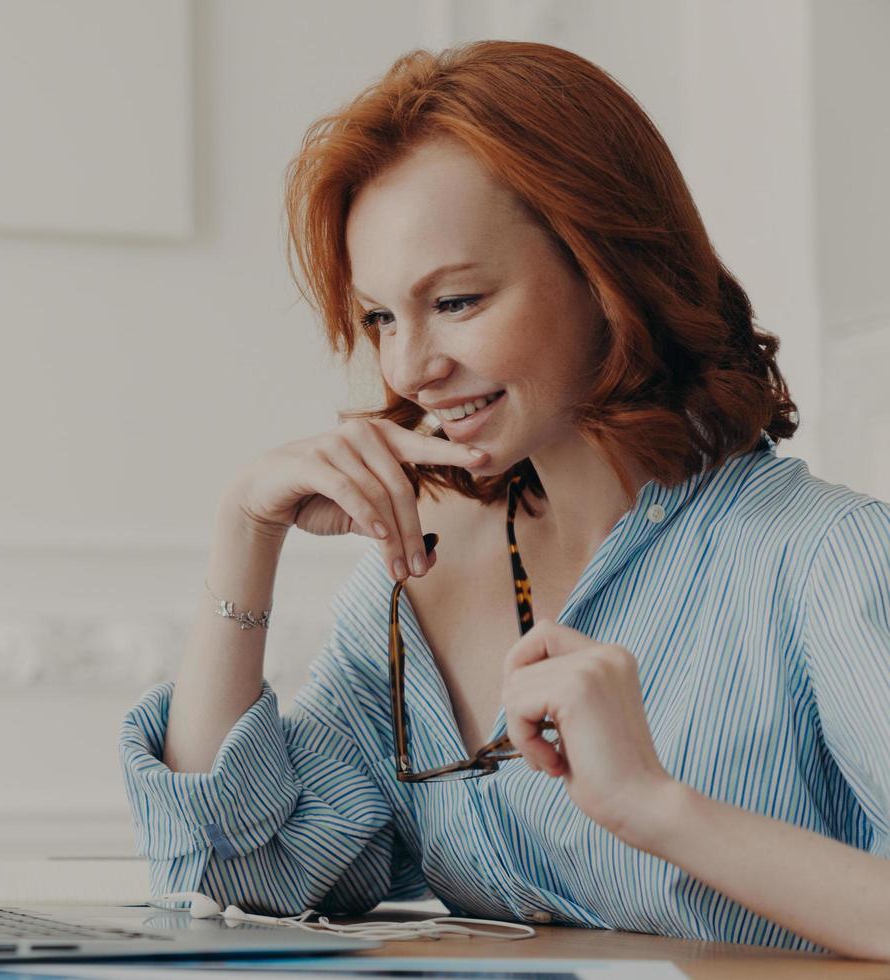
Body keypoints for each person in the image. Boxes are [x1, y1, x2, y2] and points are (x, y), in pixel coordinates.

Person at [118, 40, 890, 959]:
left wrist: (652, 804)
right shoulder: (420, 576)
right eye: (380, 318)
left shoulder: (827, 557)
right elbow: (231, 870)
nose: (409, 366)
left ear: (607, 272)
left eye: (457, 302)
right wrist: (246, 535)